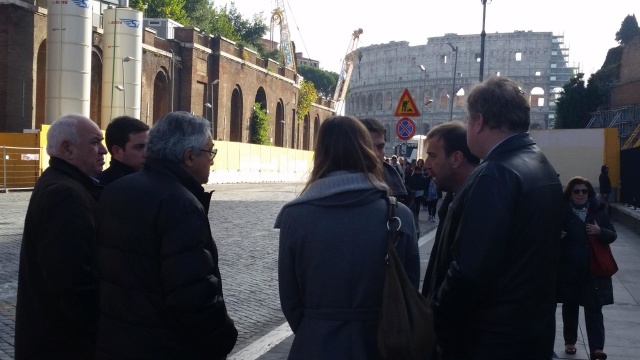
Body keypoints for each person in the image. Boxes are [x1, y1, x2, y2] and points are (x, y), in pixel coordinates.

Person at [429, 77, 564, 359]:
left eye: (468, 120)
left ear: (478, 121)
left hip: (488, 341)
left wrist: (435, 316)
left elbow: (469, 270)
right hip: (529, 335)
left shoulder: (496, 173)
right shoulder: (541, 164)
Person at [94, 111, 237, 359]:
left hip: (117, 341)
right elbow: (193, 297)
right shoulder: (182, 204)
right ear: (189, 156)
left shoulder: (114, 190)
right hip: (165, 347)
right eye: (209, 152)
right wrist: (224, 337)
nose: (212, 161)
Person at [275, 115, 419, 359]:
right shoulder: (399, 215)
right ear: (366, 149)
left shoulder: (295, 216)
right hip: (381, 344)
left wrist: (316, 329)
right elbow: (409, 289)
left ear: (320, 152)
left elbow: (290, 299)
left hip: (315, 344)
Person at [15, 114, 107, 359]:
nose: (104, 150)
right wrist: (98, 332)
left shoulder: (62, 183)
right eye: (95, 142)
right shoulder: (65, 194)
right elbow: (72, 279)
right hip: (63, 344)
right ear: (67, 149)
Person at [557, 176, 616, 360]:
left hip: (592, 268)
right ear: (570, 194)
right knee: (570, 306)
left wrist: (600, 232)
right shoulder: (562, 213)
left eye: (584, 191)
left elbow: (612, 234)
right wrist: (557, 236)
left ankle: (597, 348)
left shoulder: (598, 211)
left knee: (594, 308)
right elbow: (548, 236)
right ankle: (570, 341)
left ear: (589, 193)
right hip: (569, 268)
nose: (581, 194)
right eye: (577, 191)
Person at [421, 121, 479, 298]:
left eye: (432, 156)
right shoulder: (453, 200)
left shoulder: (477, 203)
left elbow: (466, 276)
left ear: (456, 159)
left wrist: (435, 312)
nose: (426, 164)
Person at [97, 115, 150, 186]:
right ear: (117, 152)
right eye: (139, 147)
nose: (147, 153)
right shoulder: (100, 186)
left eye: (149, 146)